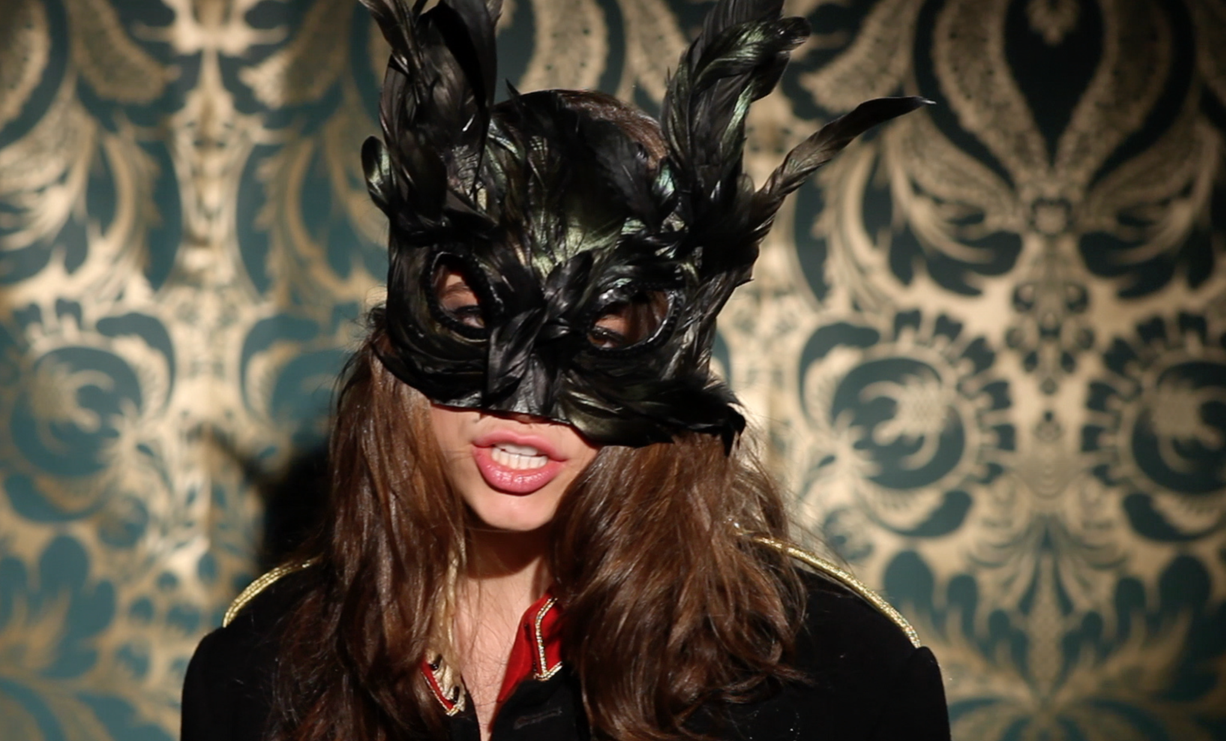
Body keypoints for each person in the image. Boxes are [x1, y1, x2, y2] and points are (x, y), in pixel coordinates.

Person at [181, 0, 949, 739]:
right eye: (476, 321)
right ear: (401, 337)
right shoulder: (252, 671)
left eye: (601, 337)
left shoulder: (847, 680)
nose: (527, 399)